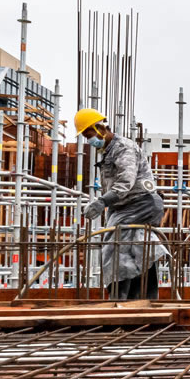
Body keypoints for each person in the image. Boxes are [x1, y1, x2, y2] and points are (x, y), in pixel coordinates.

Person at [74, 108, 166, 301]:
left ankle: (119, 297)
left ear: (99, 128)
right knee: (139, 247)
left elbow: (126, 182)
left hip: (141, 202)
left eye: (88, 134)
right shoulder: (108, 151)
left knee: (114, 244)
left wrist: (102, 202)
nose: (89, 140)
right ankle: (143, 296)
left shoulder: (123, 148)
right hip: (129, 204)